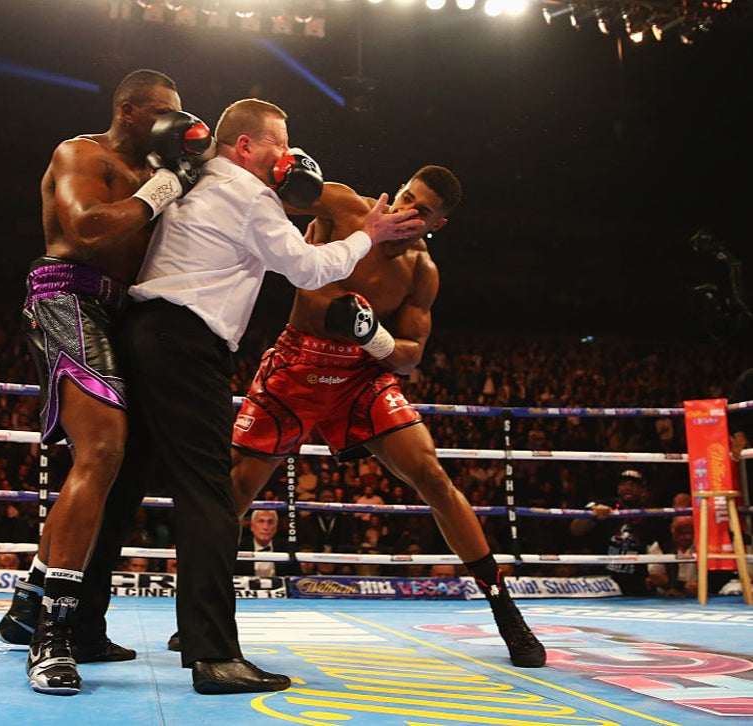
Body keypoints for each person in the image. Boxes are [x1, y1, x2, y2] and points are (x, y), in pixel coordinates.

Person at [122, 97, 426, 694]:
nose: (289, 155)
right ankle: (213, 655)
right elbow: (309, 270)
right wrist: (367, 235)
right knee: (211, 497)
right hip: (187, 343)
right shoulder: (251, 195)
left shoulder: (196, 175)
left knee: (123, 483)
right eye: (278, 144)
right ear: (245, 147)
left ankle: (71, 623)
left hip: (145, 332)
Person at [228, 167, 547, 668]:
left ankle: (506, 612)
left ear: (437, 225)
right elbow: (268, 201)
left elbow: (411, 354)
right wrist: (286, 172)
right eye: (406, 196)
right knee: (236, 488)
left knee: (432, 475)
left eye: (422, 211)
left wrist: (372, 335)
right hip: (298, 363)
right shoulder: (343, 206)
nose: (406, 211)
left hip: (361, 374)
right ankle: (203, 613)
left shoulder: (421, 271)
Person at [0, 69, 215, 695]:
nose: (175, 123)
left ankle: (30, 600)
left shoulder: (163, 170)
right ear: (129, 111)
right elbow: (86, 226)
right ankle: (52, 634)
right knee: (102, 449)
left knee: (123, 464)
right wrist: (162, 190)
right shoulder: (82, 153)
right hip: (67, 293)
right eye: (164, 112)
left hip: (127, 311)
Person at [569, 469, 665, 597]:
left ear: (643, 490)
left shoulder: (651, 515)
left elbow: (668, 546)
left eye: (633, 484)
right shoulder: (604, 505)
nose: (628, 487)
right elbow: (575, 530)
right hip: (600, 583)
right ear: (618, 488)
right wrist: (593, 514)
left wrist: (673, 586)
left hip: (635, 583)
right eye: (624, 484)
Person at [235, 510, 297, 577]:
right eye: (261, 521)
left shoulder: (287, 548)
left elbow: (295, 577)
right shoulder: (240, 547)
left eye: (270, 522)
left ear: (276, 527)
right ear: (252, 526)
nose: (265, 527)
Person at [647, 515, 697, 597]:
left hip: (698, 595)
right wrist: (681, 586)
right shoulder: (659, 547)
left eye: (691, 532)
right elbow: (656, 576)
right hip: (665, 596)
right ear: (673, 530)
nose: (688, 537)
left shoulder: (703, 545)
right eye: (682, 532)